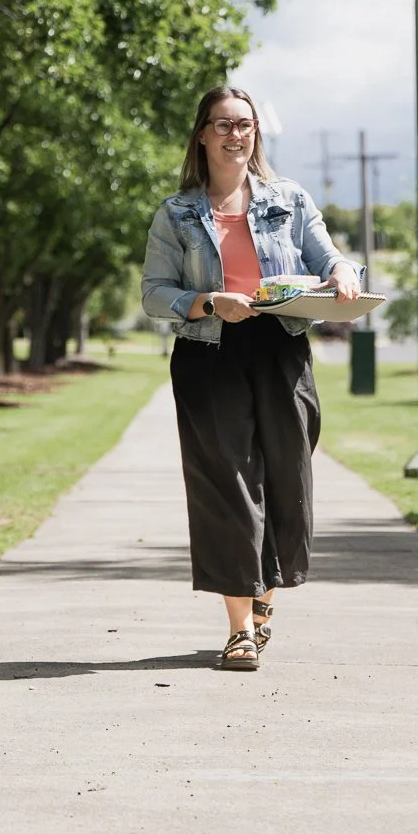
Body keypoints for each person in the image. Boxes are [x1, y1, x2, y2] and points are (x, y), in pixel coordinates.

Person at [141, 85, 361, 671]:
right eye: (223, 125)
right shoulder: (177, 212)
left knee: (287, 475)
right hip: (209, 353)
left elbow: (329, 256)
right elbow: (154, 295)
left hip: (279, 348)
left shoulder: (289, 198)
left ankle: (264, 595)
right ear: (202, 134)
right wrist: (210, 302)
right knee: (228, 484)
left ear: (256, 133)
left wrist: (341, 273)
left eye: (245, 124)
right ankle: (239, 628)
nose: (235, 135)